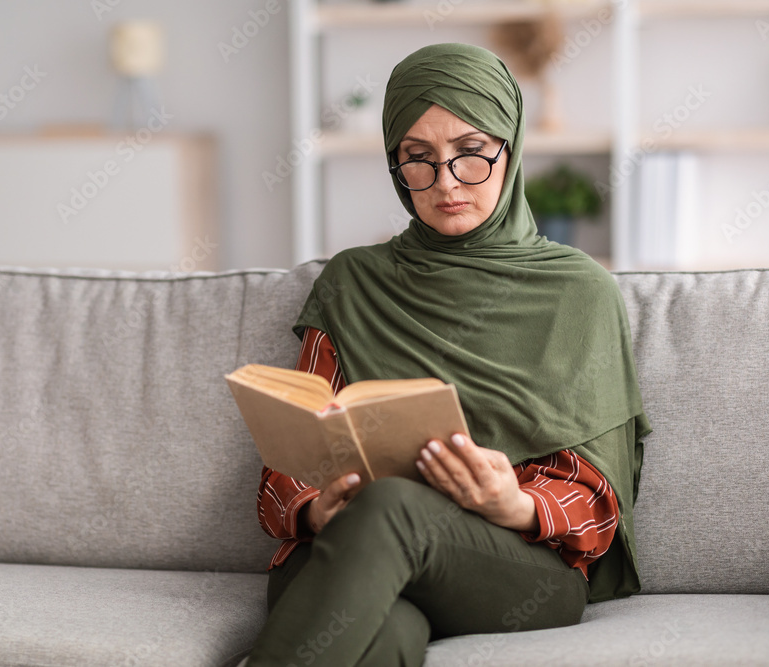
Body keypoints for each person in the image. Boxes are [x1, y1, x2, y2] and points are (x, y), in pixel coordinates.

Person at [244, 42, 651, 667]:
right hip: (347, 552)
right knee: (387, 634)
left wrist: (510, 502)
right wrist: (312, 506)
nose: (446, 183)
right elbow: (292, 454)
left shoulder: (578, 290)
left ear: (509, 150)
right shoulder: (352, 283)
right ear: (395, 165)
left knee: (391, 509)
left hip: (513, 568)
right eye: (418, 159)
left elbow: (598, 497)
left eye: (470, 154)